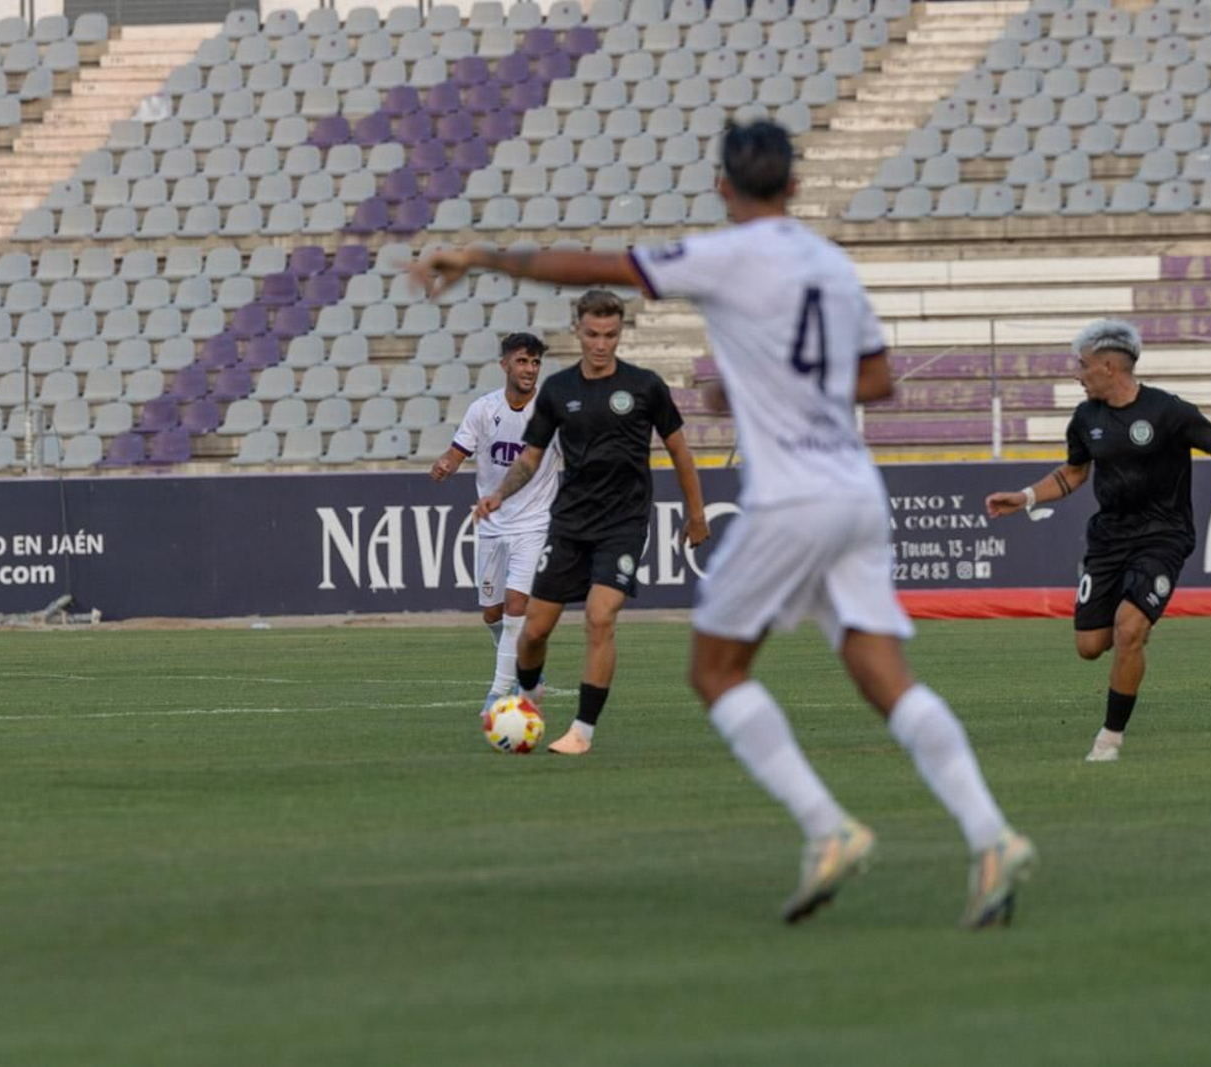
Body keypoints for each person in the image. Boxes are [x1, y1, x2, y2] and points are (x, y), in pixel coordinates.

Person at [414, 121, 1034, 930]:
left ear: (722, 187)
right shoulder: (830, 265)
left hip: (794, 498)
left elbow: (598, 266)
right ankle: (990, 835)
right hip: (855, 490)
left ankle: (829, 826)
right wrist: (773, 385)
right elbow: (878, 380)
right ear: (796, 185)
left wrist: (483, 256)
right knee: (881, 670)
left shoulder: (728, 254)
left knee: (715, 669)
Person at [411, 278, 710, 754]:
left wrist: (696, 515)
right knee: (531, 630)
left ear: (620, 335)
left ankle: (574, 729)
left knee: (597, 615)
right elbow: (528, 458)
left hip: (616, 523)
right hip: (567, 524)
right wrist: (496, 496)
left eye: (610, 335)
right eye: (592, 334)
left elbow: (679, 451)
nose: (600, 344)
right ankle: (528, 693)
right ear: (579, 331)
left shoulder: (644, 386)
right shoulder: (558, 391)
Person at [985, 319, 1211, 763]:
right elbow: (1074, 473)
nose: (1077, 373)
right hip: (1109, 540)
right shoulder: (1085, 417)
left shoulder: (1168, 411)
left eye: (1083, 365)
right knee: (1089, 647)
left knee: (1129, 629)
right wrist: (1025, 497)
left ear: (1110, 367)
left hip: (1164, 537)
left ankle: (1109, 738)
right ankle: (1130, 624)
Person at [429, 332, 560, 716]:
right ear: (504, 364)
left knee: (517, 604)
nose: (530, 369)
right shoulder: (483, 410)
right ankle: (524, 663)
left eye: (535, 362)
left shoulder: (550, 411)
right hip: (491, 523)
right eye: (522, 361)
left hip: (534, 522)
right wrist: (445, 465)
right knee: (492, 612)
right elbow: (456, 453)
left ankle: (500, 693)